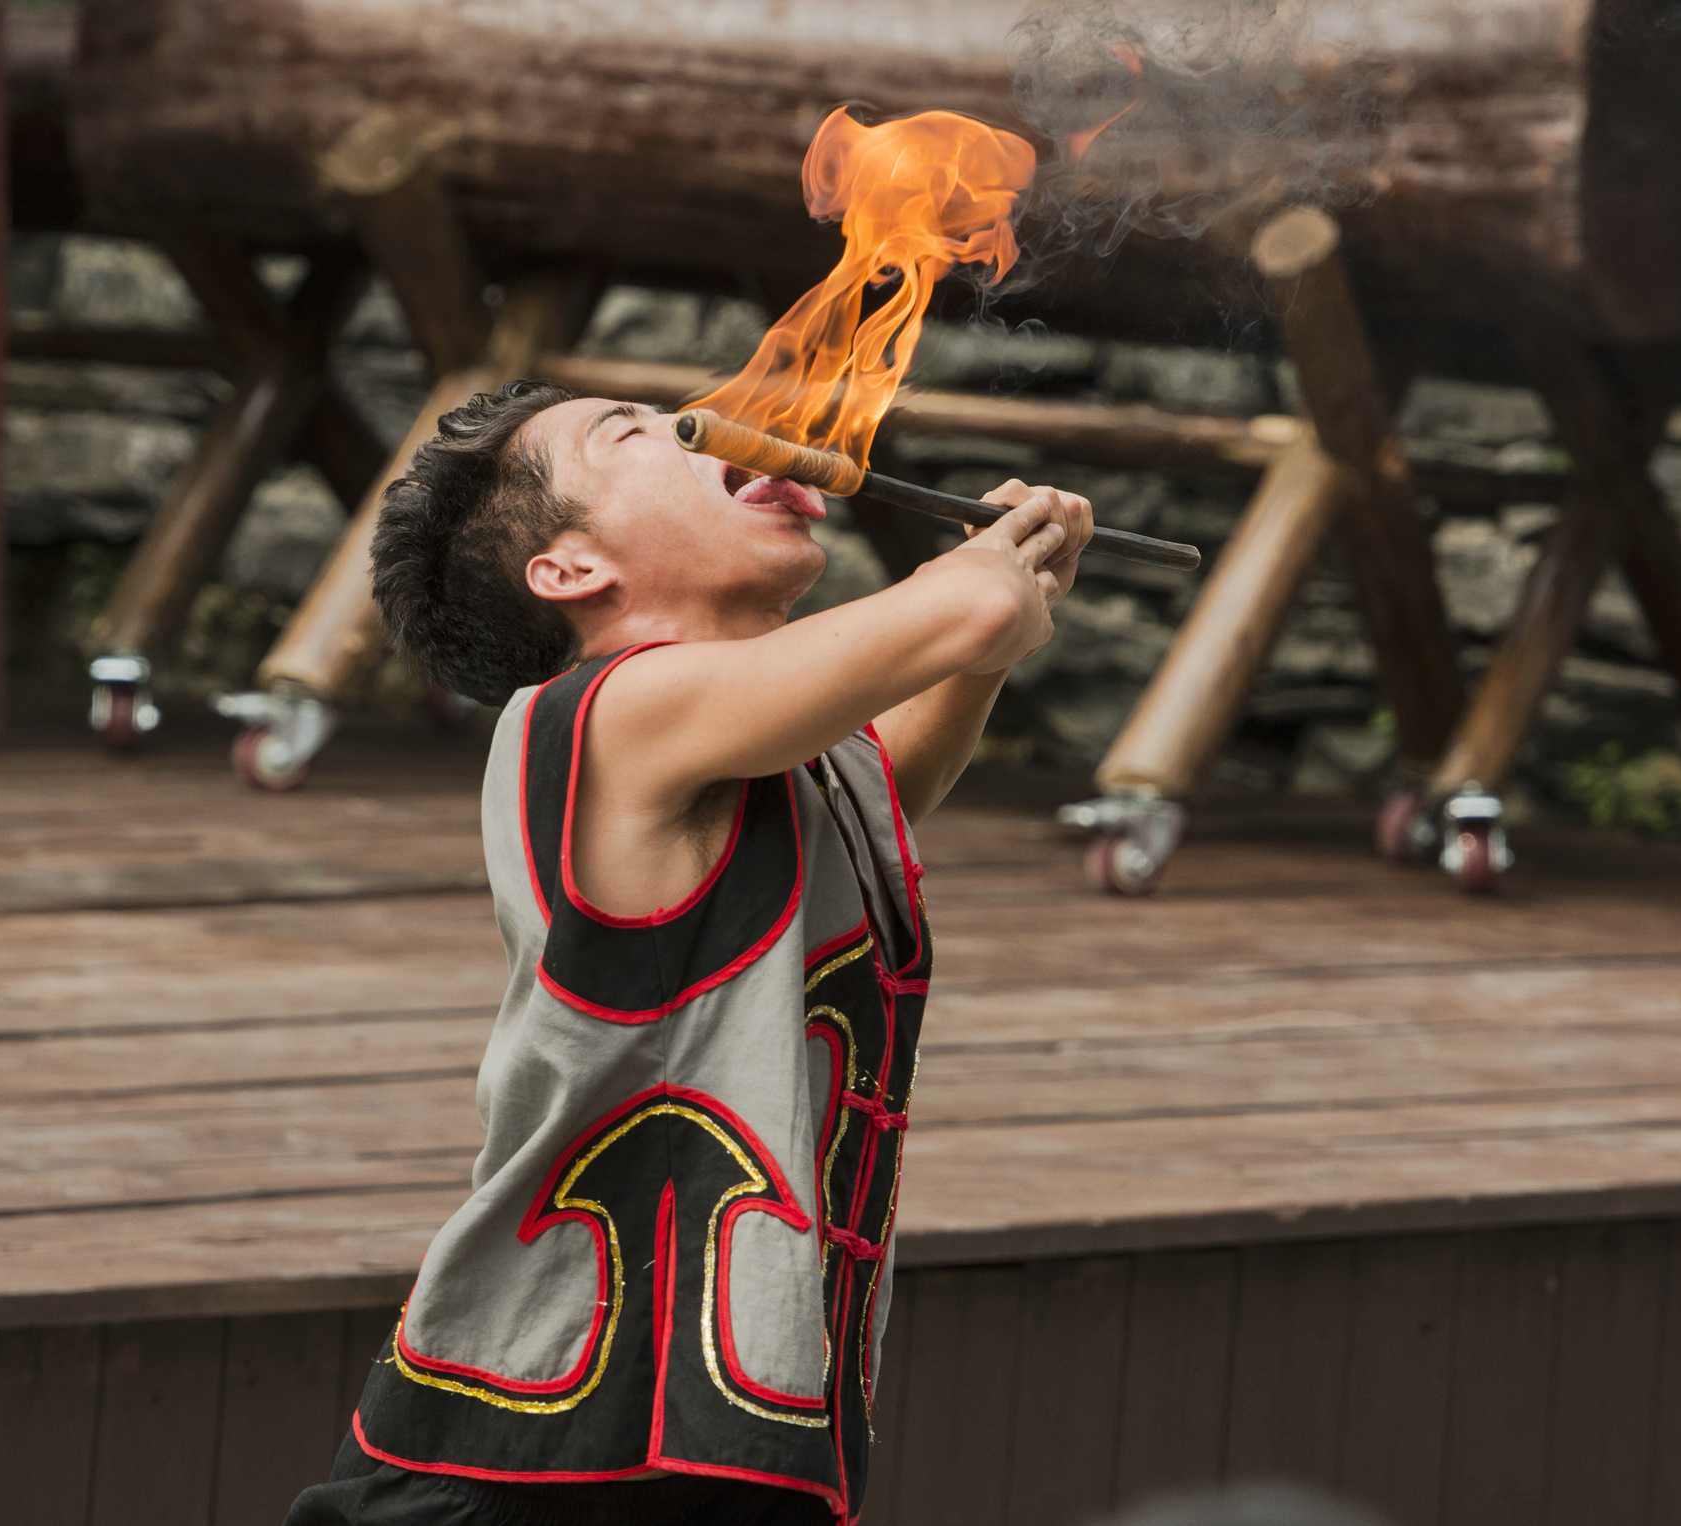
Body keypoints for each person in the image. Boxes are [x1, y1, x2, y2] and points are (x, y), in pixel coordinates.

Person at [285, 380, 1093, 1525]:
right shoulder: (602, 713)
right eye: (633, 432)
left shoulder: (774, 752)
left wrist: (995, 616)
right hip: (533, 1449)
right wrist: (987, 585)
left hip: (705, 1431)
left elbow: (884, 785)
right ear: (569, 569)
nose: (710, 425)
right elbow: (970, 612)